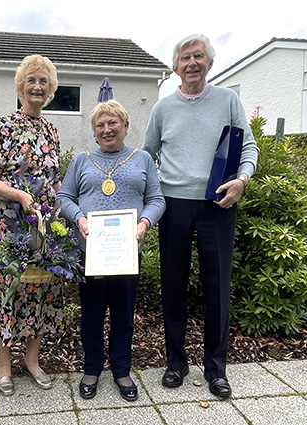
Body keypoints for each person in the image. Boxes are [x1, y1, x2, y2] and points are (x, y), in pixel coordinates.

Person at [142, 34, 259, 399]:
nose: (191, 63)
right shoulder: (162, 109)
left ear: (209, 62)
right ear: (175, 67)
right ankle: (176, 363)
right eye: (184, 58)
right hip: (173, 204)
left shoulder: (228, 100)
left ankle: (216, 368)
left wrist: (241, 180)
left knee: (217, 286)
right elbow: (147, 155)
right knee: (173, 285)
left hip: (218, 204)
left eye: (198, 56)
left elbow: (249, 146)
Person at [57, 100, 165, 402]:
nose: (106, 129)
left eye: (112, 123)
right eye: (100, 125)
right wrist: (77, 216)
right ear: (94, 131)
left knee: (123, 315)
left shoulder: (142, 158)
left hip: (127, 254)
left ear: (125, 126)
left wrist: (145, 222)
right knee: (90, 314)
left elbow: (157, 199)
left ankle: (121, 369)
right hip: (90, 253)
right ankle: (92, 367)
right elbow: (65, 195)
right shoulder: (82, 160)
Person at [0, 54, 64, 396]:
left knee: (37, 291)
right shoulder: (5, 126)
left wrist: (56, 206)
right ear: (21, 87)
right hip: (6, 226)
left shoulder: (51, 130)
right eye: (31, 81)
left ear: (51, 89)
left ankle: (32, 361)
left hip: (40, 226)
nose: (37, 87)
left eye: (43, 81)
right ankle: (3, 366)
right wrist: (19, 195)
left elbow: (53, 181)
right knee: (5, 293)